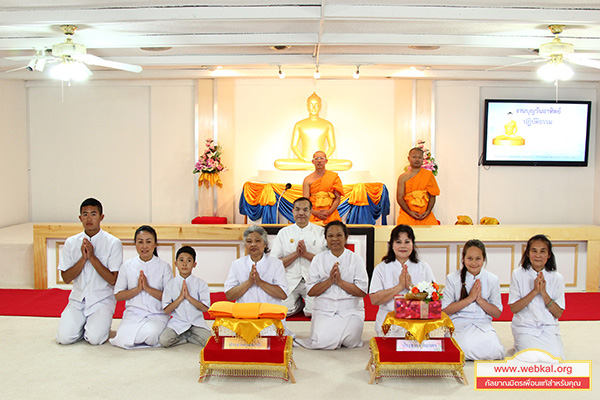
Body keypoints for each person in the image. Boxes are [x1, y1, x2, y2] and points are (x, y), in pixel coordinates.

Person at [56, 198, 123, 345]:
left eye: (93, 214)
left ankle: (95, 326)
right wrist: (82, 259)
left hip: (102, 300)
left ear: (101, 217)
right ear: (80, 218)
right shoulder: (71, 242)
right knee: (64, 338)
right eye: (85, 214)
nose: (89, 218)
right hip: (77, 299)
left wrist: (92, 258)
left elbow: (113, 280)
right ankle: (82, 326)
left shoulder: (113, 243)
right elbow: (66, 278)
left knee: (95, 339)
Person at [297, 221, 368, 350]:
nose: (335, 239)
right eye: (330, 236)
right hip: (324, 310)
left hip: (350, 310)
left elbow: (362, 291)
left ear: (346, 237)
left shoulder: (356, 259)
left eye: (339, 235)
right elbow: (311, 291)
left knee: (351, 341)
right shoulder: (318, 259)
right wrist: (329, 281)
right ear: (326, 238)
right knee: (322, 341)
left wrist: (340, 282)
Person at [110, 225, 173, 349]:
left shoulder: (164, 267)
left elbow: (170, 297)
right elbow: (118, 295)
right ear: (135, 244)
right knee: (121, 336)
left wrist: (148, 289)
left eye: (148, 242)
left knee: (151, 334)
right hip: (133, 315)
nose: (144, 246)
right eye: (140, 242)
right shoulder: (127, 266)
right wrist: (137, 289)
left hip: (157, 315)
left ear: (155, 244)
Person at [441, 239, 505, 360]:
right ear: (463, 259)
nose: (474, 263)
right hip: (459, 324)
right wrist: (469, 299)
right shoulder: (453, 278)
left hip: (483, 324)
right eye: (469, 258)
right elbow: (444, 310)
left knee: (496, 351)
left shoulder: (492, 279)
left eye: (478, 259)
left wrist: (480, 300)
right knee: (462, 349)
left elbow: (497, 313)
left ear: (484, 259)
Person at [369, 224, 435, 336]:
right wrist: (399, 287)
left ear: (413, 244)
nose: (403, 246)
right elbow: (374, 300)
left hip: (416, 319)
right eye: (398, 242)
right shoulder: (381, 268)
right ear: (392, 245)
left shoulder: (423, 267)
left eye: (407, 242)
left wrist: (411, 287)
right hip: (389, 319)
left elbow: (433, 299)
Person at [509, 234, 565, 358]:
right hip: (525, 326)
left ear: (549, 254)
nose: (538, 255)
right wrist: (534, 291)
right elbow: (514, 308)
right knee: (531, 358)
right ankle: (519, 345)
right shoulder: (517, 274)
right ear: (528, 253)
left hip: (548, 327)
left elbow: (558, 313)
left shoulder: (557, 278)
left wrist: (543, 293)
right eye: (534, 251)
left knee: (556, 359)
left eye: (542, 251)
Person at [271, 197, 327, 317]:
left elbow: (325, 262)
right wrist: (296, 254)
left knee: (312, 312)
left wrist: (306, 255)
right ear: (292, 211)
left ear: (311, 212)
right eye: (297, 209)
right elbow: (275, 263)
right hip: (290, 280)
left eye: (305, 210)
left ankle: (306, 304)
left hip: (313, 281)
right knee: (284, 311)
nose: (301, 213)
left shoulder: (320, 232)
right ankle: (298, 304)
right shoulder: (284, 233)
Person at [274, 92, 352, 171]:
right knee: (278, 163)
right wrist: (302, 158)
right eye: (311, 105)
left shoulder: (327, 124)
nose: (314, 107)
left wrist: (323, 160)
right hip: (304, 160)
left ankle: (313, 165)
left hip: (321, 161)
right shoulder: (299, 124)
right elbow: (294, 146)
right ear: (307, 106)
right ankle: (311, 165)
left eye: (317, 105)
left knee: (347, 164)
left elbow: (332, 146)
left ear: (320, 106)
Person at [159, 246, 211, 348]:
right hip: (178, 322)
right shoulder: (170, 284)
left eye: (188, 260)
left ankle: (188, 336)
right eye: (181, 260)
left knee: (209, 341)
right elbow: (166, 309)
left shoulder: (201, 283)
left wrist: (189, 297)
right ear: (176, 264)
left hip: (197, 322)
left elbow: (206, 308)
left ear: (194, 264)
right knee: (164, 341)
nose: (184, 264)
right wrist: (180, 298)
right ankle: (185, 337)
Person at [225, 225, 288, 305]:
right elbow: (229, 296)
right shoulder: (237, 264)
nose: (253, 245)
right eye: (249, 241)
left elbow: (283, 294)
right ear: (245, 245)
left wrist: (260, 282)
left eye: (257, 241)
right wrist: (249, 282)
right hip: (245, 314)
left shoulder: (276, 264)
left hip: (270, 314)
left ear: (265, 244)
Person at [396, 147, 440, 225]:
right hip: (407, 213)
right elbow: (399, 198)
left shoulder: (428, 175)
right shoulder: (402, 177)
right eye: (414, 157)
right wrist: (409, 212)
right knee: (403, 231)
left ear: (423, 160)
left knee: (433, 232)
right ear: (409, 158)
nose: (417, 160)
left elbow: (433, 195)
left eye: (419, 157)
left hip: (424, 214)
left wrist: (428, 211)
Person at [302, 150, 344, 226]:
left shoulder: (333, 177)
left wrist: (329, 212)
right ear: (313, 162)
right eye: (316, 159)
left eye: (322, 158)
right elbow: (305, 201)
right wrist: (315, 213)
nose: (319, 161)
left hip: (330, 213)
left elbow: (337, 198)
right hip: (313, 214)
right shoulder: (307, 179)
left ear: (326, 161)